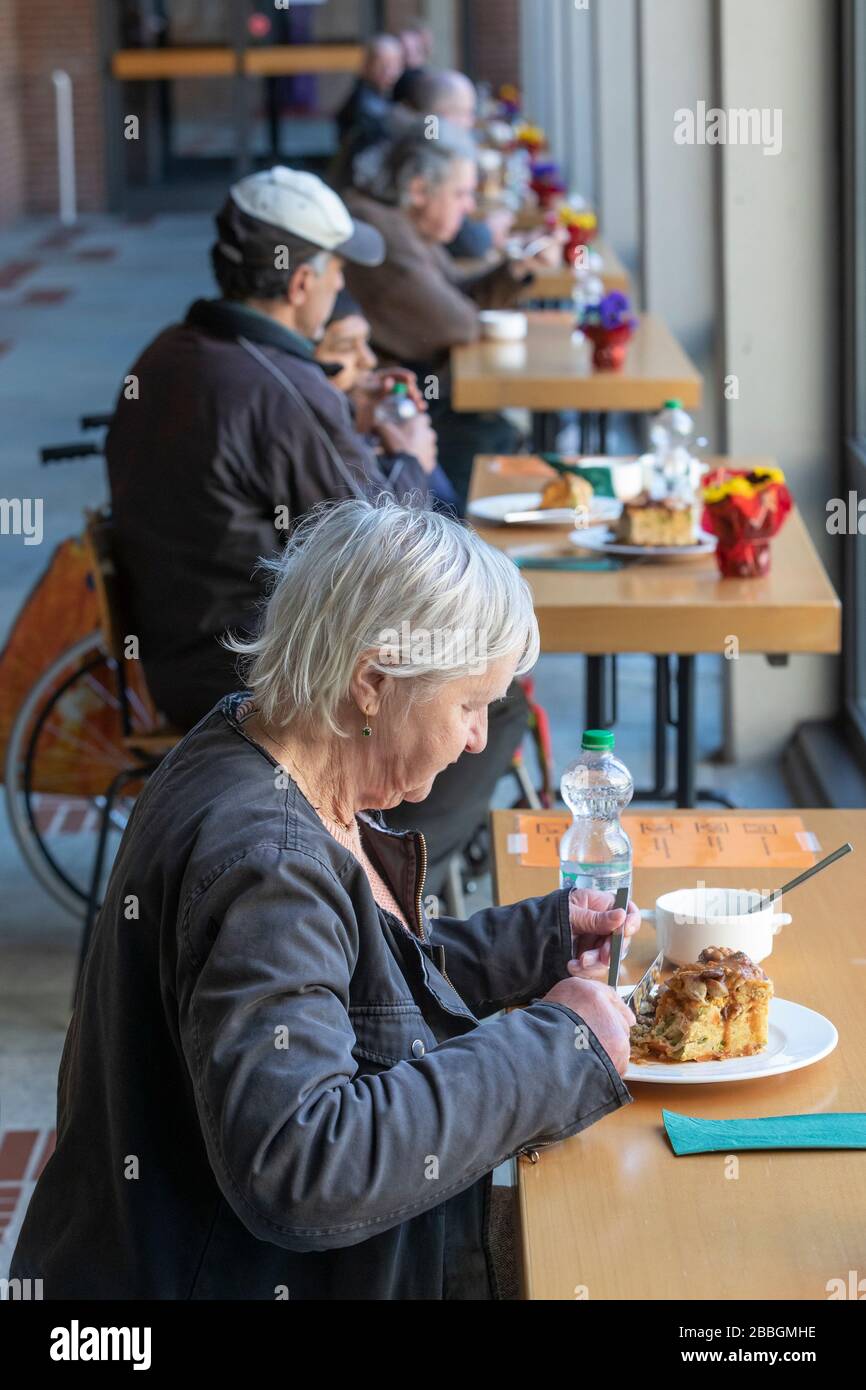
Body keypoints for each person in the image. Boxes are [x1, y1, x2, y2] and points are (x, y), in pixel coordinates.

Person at [10, 498, 638, 1301]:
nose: (480, 738)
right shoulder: (267, 865)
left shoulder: (250, 743)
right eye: (469, 705)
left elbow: (353, 994)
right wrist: (560, 1047)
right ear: (373, 682)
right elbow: (305, 1162)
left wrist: (535, 939)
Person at [106, 166, 436, 734]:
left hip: (171, 656)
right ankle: (368, 824)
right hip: (250, 670)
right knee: (489, 698)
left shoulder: (165, 352)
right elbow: (387, 546)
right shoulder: (283, 388)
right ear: (301, 283)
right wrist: (411, 459)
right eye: (336, 270)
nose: (340, 286)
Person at [343, 123, 549, 504]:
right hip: (388, 410)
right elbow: (457, 322)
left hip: (407, 396)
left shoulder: (399, 221)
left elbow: (453, 292)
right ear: (419, 190)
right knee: (490, 436)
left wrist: (513, 271)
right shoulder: (382, 230)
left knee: (495, 431)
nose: (470, 207)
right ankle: (463, 547)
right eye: (460, 194)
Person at [315, 287, 461, 516]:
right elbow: (383, 538)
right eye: (345, 346)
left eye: (366, 343)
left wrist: (362, 415)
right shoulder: (310, 434)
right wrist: (412, 461)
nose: (369, 360)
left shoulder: (361, 406)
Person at [335, 34, 404, 146]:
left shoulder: (394, 91)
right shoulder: (362, 102)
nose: (388, 71)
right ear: (366, 66)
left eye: (394, 64)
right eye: (381, 64)